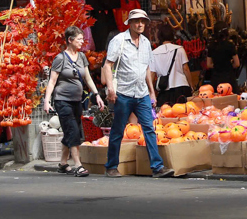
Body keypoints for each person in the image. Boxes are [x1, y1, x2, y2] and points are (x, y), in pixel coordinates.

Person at [101, 9, 174, 178]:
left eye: (142, 21)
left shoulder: (146, 43)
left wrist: (152, 92)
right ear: (129, 23)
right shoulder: (119, 41)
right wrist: (111, 88)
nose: (140, 24)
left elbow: (146, 68)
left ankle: (157, 167)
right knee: (118, 130)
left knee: (149, 129)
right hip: (123, 93)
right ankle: (111, 166)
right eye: (136, 21)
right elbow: (107, 65)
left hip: (141, 94)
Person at [44, 25, 104, 176]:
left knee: (71, 131)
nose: (82, 42)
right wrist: (47, 101)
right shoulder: (60, 58)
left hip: (77, 101)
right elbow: (52, 81)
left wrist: (96, 94)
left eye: (82, 39)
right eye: (79, 39)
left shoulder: (82, 57)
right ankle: (78, 165)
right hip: (62, 101)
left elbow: (88, 78)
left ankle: (63, 164)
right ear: (70, 40)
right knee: (73, 131)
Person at [151, 25, 193, 107]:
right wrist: (191, 85)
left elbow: (152, 74)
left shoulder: (154, 53)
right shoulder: (180, 49)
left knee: (166, 116)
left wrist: (151, 92)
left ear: (159, 36)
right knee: (184, 113)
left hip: (164, 90)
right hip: (181, 87)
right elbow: (186, 69)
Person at [205, 23, 240, 93]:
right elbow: (237, 64)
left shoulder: (211, 46)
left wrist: (217, 66)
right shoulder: (230, 45)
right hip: (229, 78)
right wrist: (228, 65)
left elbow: (208, 64)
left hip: (216, 78)